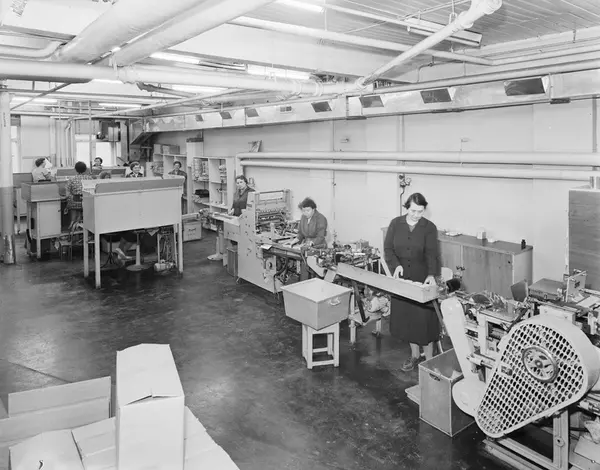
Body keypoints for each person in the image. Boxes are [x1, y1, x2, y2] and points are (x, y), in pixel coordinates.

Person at [384, 192, 441, 372]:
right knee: (407, 319)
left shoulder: (429, 227)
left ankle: (430, 361)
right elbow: (388, 249)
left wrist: (431, 275)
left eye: (420, 211)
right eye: (413, 211)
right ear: (406, 208)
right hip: (402, 279)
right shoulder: (395, 224)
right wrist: (395, 266)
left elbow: (432, 254)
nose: (416, 215)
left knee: (424, 321)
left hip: (422, 278)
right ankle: (415, 355)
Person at [65, 161, 93, 230]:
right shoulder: (90, 178)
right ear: (85, 169)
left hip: (75, 201)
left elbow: (67, 193)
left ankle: (73, 224)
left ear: (75, 169)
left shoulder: (71, 179)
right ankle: (82, 225)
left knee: (72, 204)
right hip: (87, 202)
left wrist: (70, 198)